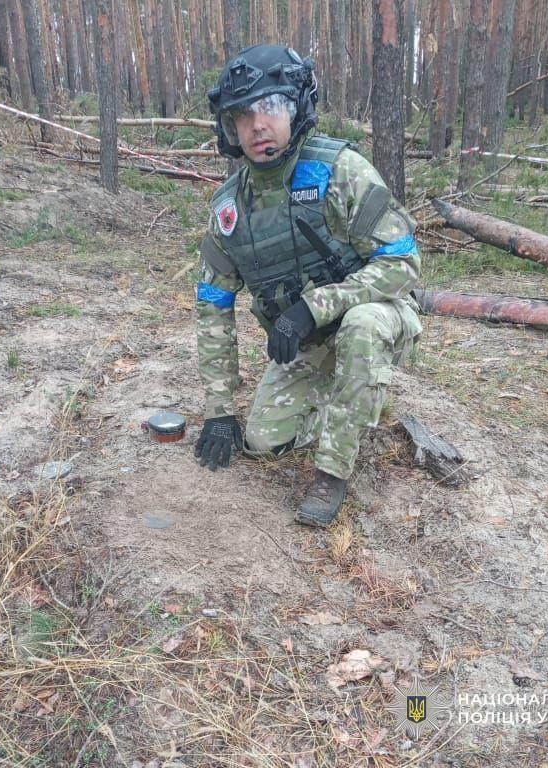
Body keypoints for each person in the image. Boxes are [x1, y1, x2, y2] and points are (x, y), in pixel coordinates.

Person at [193, 44, 422, 527]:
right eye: (243, 113)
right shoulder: (230, 210)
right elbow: (213, 302)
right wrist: (219, 411)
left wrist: (315, 305)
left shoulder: (338, 170)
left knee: (361, 326)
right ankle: (354, 397)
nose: (259, 125)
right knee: (262, 442)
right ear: (229, 126)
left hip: (377, 313)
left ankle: (332, 474)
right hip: (312, 343)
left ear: (296, 107)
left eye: (271, 107)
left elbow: (402, 263)